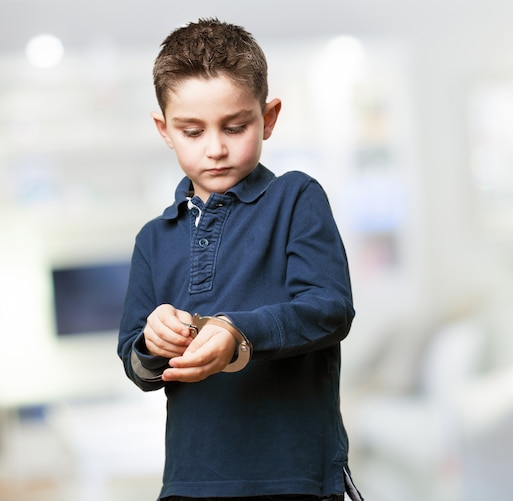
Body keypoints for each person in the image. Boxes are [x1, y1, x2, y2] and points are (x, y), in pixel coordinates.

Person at [117, 18, 363, 501]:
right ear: (163, 129)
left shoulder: (296, 198)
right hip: (188, 485)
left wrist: (237, 333)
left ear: (268, 117)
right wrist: (153, 339)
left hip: (294, 481)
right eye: (192, 131)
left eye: (235, 126)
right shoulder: (153, 239)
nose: (216, 148)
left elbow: (330, 310)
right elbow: (136, 365)